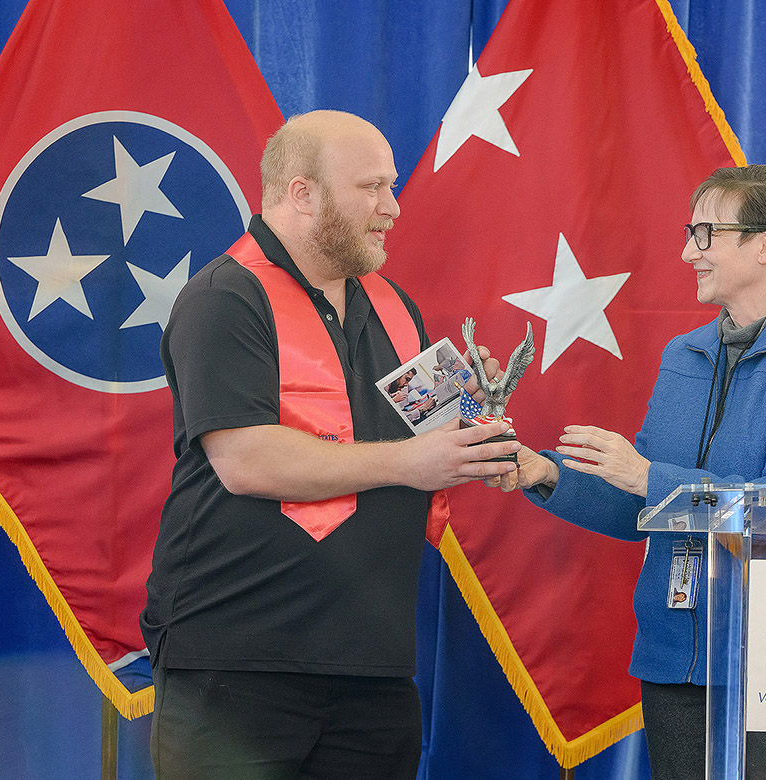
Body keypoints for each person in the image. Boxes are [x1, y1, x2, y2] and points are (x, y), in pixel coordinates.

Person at [140, 110, 519, 780]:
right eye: (372, 188)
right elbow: (247, 461)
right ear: (301, 193)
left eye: (391, 187)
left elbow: (445, 432)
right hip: (237, 662)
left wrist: (484, 424)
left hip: (372, 667)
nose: (393, 208)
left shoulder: (394, 303)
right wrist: (412, 460)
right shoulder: (223, 298)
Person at [493, 165, 766, 780]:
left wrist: (648, 475)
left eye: (705, 233)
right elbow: (641, 502)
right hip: (678, 658)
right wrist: (542, 472)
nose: (685, 251)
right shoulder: (686, 354)